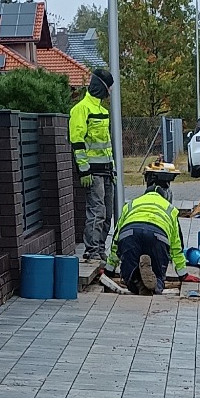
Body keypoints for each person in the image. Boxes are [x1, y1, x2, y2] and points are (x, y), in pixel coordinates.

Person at [105, 172, 186, 293]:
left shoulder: (131, 204)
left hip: (130, 233)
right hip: (158, 235)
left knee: (128, 275)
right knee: (159, 276)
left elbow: (116, 240)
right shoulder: (170, 209)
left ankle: (136, 280)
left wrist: (109, 269)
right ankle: (155, 286)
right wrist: (183, 274)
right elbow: (176, 245)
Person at [68, 70, 116, 262]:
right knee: (97, 211)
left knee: (107, 213)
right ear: (102, 87)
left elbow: (106, 144)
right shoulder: (81, 109)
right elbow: (77, 140)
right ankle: (92, 251)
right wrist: (83, 169)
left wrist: (111, 168)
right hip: (92, 172)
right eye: (109, 89)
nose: (110, 93)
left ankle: (100, 249)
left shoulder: (102, 112)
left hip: (105, 170)